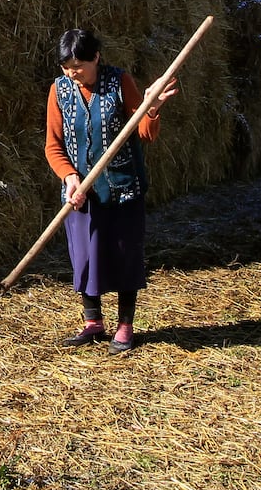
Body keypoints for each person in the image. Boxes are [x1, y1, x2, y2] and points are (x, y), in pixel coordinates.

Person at [45, 29, 178, 353]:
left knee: (124, 256)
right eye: (66, 67)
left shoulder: (119, 83)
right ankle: (93, 321)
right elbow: (53, 146)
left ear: (96, 58)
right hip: (81, 195)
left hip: (122, 189)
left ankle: (125, 326)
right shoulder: (59, 90)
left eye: (78, 66)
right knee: (84, 257)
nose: (72, 73)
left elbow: (145, 134)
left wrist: (152, 108)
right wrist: (70, 178)